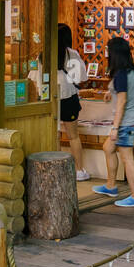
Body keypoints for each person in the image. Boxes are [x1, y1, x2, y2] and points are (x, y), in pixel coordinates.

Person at [93, 36, 134, 207]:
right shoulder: (131, 70)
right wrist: (110, 92)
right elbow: (123, 91)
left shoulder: (122, 74)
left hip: (126, 122)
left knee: (127, 158)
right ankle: (110, 186)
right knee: (108, 148)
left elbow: (122, 101)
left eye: (109, 50)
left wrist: (115, 128)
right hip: (133, 118)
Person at [57, 26, 89, 181]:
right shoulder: (72, 54)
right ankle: (79, 171)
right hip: (69, 98)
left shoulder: (44, 54)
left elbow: (36, 77)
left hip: (51, 99)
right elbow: (81, 78)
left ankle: (55, 168)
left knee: (54, 136)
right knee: (73, 136)